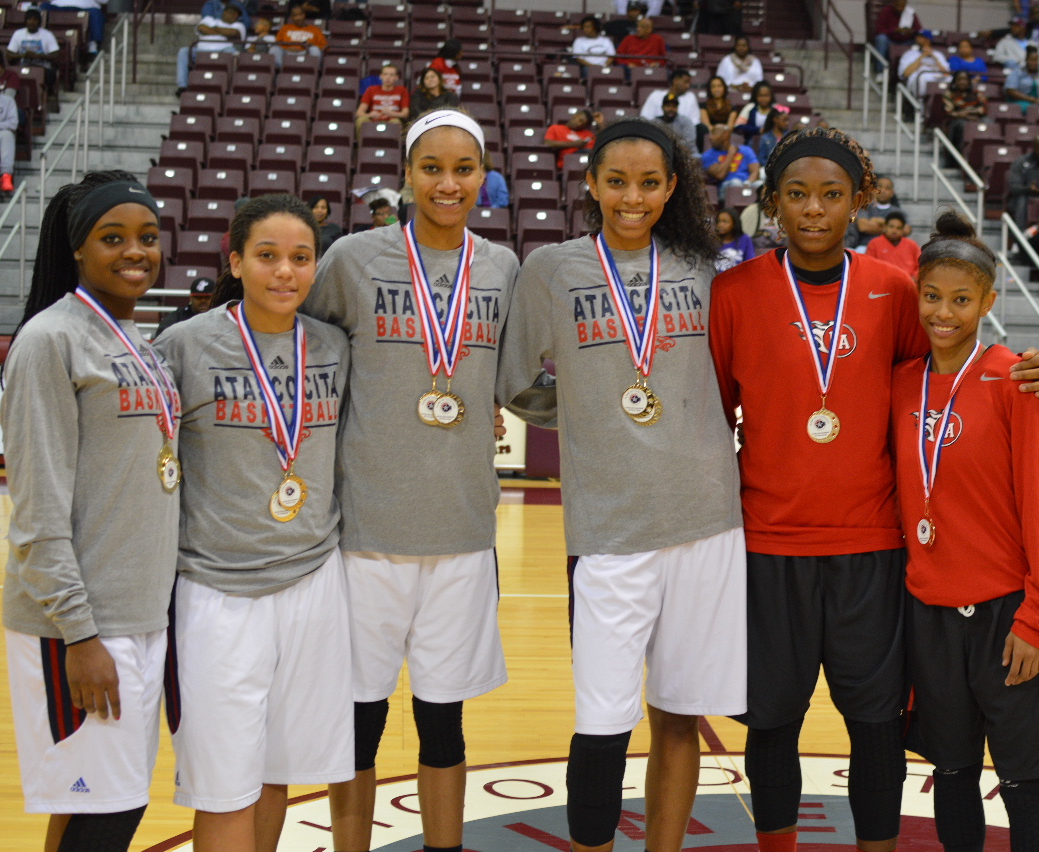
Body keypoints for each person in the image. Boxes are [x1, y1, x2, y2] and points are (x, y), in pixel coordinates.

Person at [707, 127, 1039, 852]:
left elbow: (942, 383)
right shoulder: (734, 293)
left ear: (859, 202)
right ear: (771, 202)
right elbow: (710, 424)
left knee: (874, 726)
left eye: (832, 195)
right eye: (797, 195)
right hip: (768, 548)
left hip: (875, 552)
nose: (813, 210)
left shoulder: (898, 292)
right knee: (772, 720)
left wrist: (1034, 370)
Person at [496, 116, 745, 852]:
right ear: (592, 186)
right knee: (602, 724)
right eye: (616, 181)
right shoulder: (552, 269)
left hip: (707, 520)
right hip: (609, 531)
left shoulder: (706, 270)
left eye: (648, 183)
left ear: (672, 188)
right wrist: (587, 414)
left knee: (678, 713)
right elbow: (515, 382)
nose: (631, 197)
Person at [306, 109, 518, 852]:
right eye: (432, 167)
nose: (448, 183)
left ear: (483, 176)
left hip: (460, 532)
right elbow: (306, 358)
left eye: (464, 169)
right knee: (359, 721)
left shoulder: (501, 268)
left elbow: (507, 371)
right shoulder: (352, 259)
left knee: (443, 719)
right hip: (365, 530)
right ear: (407, 174)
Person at [155, 194, 353, 852]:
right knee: (223, 785)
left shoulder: (332, 346)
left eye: (301, 258)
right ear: (235, 260)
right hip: (216, 587)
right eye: (266, 256)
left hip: (314, 582)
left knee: (278, 775)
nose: (285, 272)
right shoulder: (183, 345)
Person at [892, 210, 1039, 852]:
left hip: (1011, 618)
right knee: (950, 772)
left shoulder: (1015, 379)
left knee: (1023, 781)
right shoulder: (901, 383)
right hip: (931, 615)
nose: (943, 312)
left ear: (987, 302)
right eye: (931, 296)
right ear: (915, 293)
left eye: (960, 300)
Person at [2, 170, 179, 852]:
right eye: (114, 238)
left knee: (105, 806)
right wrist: (78, 635)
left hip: (138, 614)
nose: (136, 252)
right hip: (80, 625)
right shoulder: (50, 341)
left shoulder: (139, 342)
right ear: (78, 248)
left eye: (146, 237)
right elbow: (37, 511)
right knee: (105, 818)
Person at [175, 3, 245, 96]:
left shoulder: (239, 25)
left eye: (237, 15)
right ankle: (182, 86)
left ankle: (231, 88)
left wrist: (213, 29)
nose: (235, 16)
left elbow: (233, 32)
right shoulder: (209, 19)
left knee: (235, 55)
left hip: (224, 51)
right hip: (201, 50)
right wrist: (222, 32)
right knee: (184, 51)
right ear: (224, 12)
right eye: (232, 13)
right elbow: (202, 28)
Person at [703, 124, 762, 201]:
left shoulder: (746, 150)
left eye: (714, 133)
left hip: (747, 183)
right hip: (726, 186)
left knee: (761, 185)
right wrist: (730, 154)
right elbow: (720, 175)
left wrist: (748, 183)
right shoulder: (708, 155)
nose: (710, 137)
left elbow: (755, 171)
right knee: (736, 183)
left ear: (725, 135)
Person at [848, 175, 906, 252]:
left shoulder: (898, 211)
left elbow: (905, 230)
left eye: (887, 188)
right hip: (865, 246)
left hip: (889, 247)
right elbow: (863, 227)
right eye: (880, 187)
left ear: (892, 193)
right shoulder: (864, 207)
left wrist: (876, 221)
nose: (883, 190)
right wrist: (890, 227)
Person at [6, 10, 59, 92]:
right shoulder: (18, 33)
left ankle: (46, 95)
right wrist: (23, 55)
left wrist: (39, 56)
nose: (32, 22)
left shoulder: (47, 34)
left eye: (35, 20)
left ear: (39, 21)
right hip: (23, 66)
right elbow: (9, 54)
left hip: (43, 68)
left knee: (50, 75)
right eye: (29, 19)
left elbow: (56, 54)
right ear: (25, 21)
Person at [941, 70, 987, 157]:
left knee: (988, 123)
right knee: (962, 124)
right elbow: (949, 112)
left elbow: (983, 109)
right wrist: (964, 116)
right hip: (956, 122)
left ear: (969, 81)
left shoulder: (977, 94)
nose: (962, 82)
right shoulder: (949, 95)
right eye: (959, 79)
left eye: (965, 79)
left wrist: (967, 113)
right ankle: (960, 155)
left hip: (976, 118)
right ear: (955, 81)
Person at [355, 63, 410, 133]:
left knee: (396, 122)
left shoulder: (402, 90)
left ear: (396, 78)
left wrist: (392, 114)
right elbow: (359, 112)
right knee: (361, 121)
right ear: (381, 76)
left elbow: (405, 114)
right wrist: (370, 115)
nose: (388, 77)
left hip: (392, 119)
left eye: (391, 75)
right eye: (385, 74)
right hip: (374, 119)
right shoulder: (371, 89)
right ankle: (362, 143)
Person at [866, 211, 921, 277]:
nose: (894, 231)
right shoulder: (874, 243)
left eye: (898, 228)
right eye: (891, 227)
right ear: (885, 227)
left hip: (908, 283)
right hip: (882, 282)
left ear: (903, 230)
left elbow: (921, 266)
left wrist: (914, 278)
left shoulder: (912, 245)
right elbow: (869, 266)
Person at [898, 30, 950, 99]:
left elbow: (947, 74)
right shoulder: (909, 54)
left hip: (937, 79)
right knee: (922, 78)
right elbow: (905, 74)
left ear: (927, 40)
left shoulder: (938, 54)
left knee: (950, 80)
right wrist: (922, 56)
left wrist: (935, 58)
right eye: (917, 36)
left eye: (921, 37)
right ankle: (921, 105)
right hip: (919, 79)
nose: (917, 38)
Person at [1004, 47, 1039, 113]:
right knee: (1022, 108)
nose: (1034, 63)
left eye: (1036, 60)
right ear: (1026, 60)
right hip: (1023, 101)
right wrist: (1029, 99)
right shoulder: (1017, 72)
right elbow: (1010, 90)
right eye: (1031, 60)